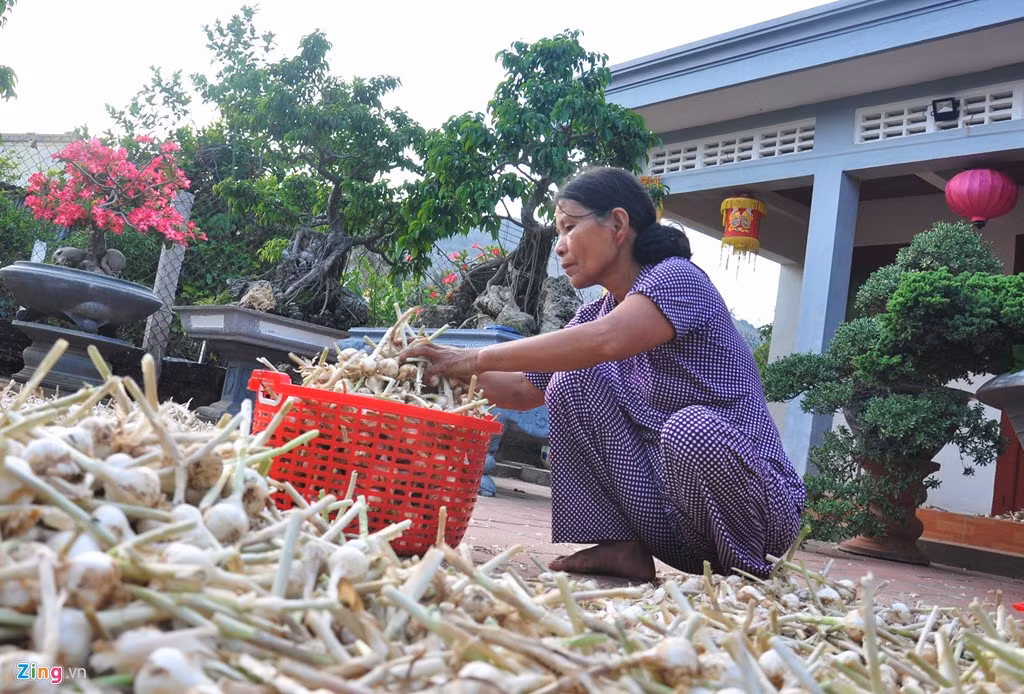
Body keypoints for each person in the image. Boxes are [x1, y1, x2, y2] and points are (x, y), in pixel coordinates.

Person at [400, 167, 806, 582]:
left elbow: (609, 339)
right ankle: (621, 546)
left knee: (690, 430)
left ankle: (749, 576)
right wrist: (430, 371)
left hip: (759, 519)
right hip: (676, 522)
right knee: (570, 381)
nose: (560, 246)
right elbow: (523, 388)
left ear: (617, 224)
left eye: (569, 227)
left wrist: (472, 358)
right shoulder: (595, 314)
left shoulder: (678, 278)